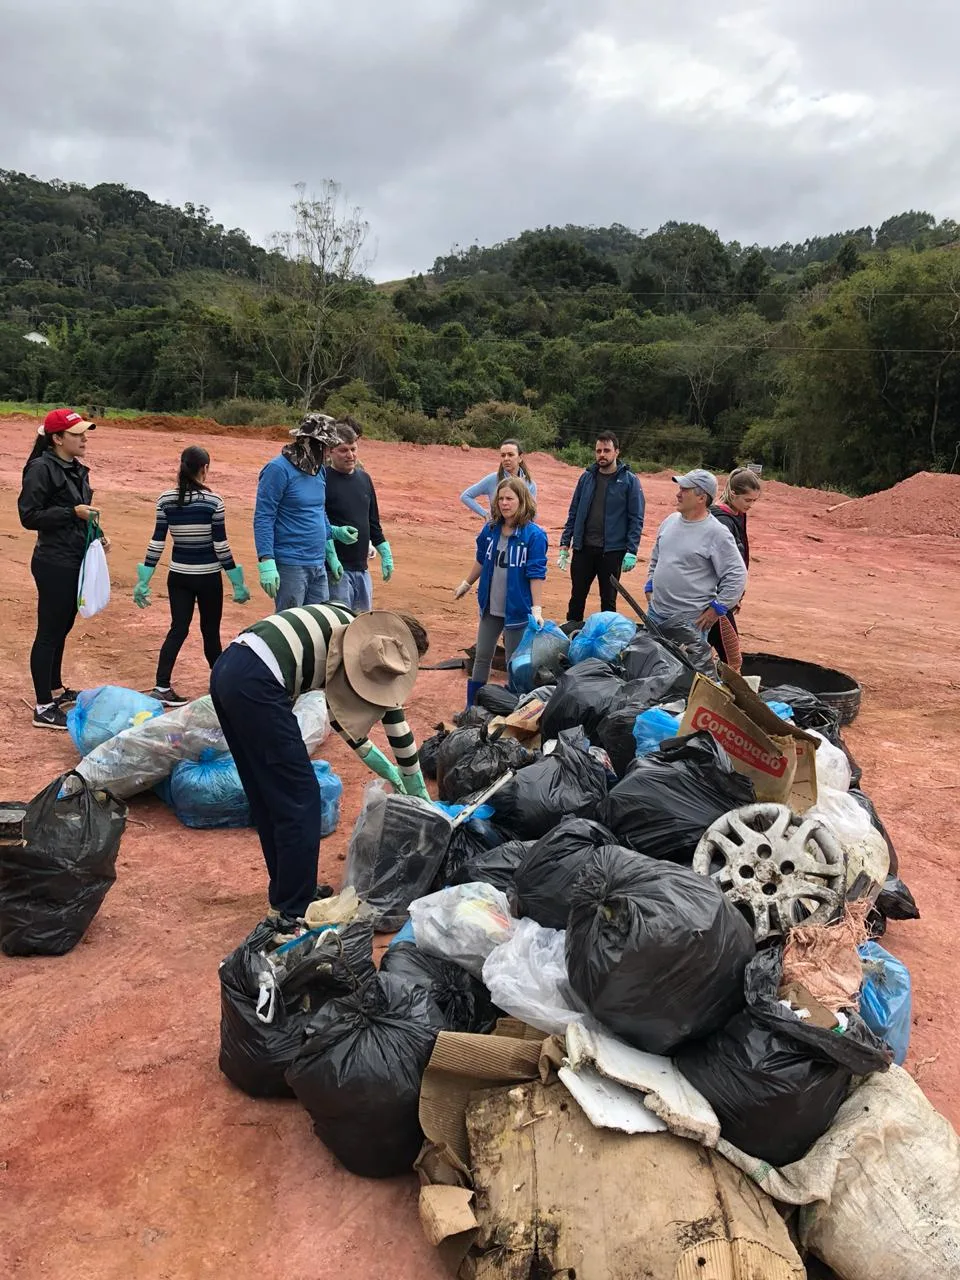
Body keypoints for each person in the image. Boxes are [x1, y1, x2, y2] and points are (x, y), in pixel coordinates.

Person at [210, 605, 431, 928]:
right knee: (300, 797)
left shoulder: (350, 629)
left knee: (268, 792)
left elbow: (341, 720)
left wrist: (391, 772)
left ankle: (288, 893)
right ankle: (292, 909)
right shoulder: (362, 651)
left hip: (229, 667)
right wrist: (418, 790)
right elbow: (397, 725)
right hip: (257, 681)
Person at [133, 446, 250, 705]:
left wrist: (145, 579)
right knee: (210, 632)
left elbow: (157, 542)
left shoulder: (165, 500)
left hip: (178, 576)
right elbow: (221, 546)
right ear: (204, 469)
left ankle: (161, 686)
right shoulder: (213, 503)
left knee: (178, 628)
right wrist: (236, 581)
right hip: (208, 577)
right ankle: (221, 688)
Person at [18, 408, 108, 730]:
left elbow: (84, 513)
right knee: (49, 632)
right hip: (53, 562)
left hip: (75, 558)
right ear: (57, 439)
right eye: (77, 434)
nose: (84, 439)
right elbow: (29, 516)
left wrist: (97, 534)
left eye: (85, 433)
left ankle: (55, 689)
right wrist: (72, 513)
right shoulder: (41, 469)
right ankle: (42, 707)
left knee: (64, 626)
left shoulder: (75, 468)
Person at [454, 477, 547, 708]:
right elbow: (481, 561)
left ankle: (510, 709)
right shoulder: (490, 529)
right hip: (490, 607)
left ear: (522, 500)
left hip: (517, 610)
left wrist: (536, 608)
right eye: (501, 498)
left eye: (510, 499)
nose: (504, 503)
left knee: (513, 664)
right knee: (482, 657)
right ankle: (472, 708)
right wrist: (467, 583)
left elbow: (536, 574)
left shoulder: (534, 536)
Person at [644, 469, 747, 644]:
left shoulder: (717, 533)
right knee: (652, 666)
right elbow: (657, 556)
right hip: (656, 614)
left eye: (685, 490)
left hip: (690, 622)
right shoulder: (670, 521)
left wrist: (717, 609)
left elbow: (737, 575)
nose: (678, 494)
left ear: (701, 497)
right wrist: (650, 583)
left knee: (683, 670)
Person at [253, 412, 342, 610]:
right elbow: (264, 516)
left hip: (317, 562)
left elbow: (319, 510)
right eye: (327, 447)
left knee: (319, 626)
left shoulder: (317, 470)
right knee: (291, 628)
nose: (329, 453)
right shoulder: (278, 469)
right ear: (312, 443)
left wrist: (331, 553)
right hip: (291, 564)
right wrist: (266, 560)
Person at [557, 431, 644, 621]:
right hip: (583, 549)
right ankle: (572, 639)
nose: (601, 455)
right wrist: (565, 543)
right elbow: (574, 512)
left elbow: (636, 518)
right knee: (576, 599)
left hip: (612, 552)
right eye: (598, 451)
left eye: (606, 450)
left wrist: (632, 550)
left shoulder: (629, 481)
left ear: (616, 452)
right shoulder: (586, 478)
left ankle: (607, 643)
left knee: (608, 602)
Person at [324, 422, 393, 613]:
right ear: (330, 451)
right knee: (339, 624)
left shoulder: (364, 479)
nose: (350, 455)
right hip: (335, 570)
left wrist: (385, 552)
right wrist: (332, 551)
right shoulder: (323, 480)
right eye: (343, 450)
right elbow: (317, 521)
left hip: (361, 568)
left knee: (362, 624)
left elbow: (373, 522)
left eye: (353, 449)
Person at [707, 468, 762, 670]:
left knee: (702, 651)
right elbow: (720, 567)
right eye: (748, 500)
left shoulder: (737, 515)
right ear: (733, 494)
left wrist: (737, 595)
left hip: (724, 599)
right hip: (715, 601)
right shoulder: (722, 521)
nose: (751, 505)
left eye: (754, 501)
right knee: (732, 658)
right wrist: (725, 601)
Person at [460, 438, 537, 518]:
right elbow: (466, 496)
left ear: (520, 458)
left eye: (510, 455)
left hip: (520, 528)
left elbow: (532, 513)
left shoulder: (530, 484)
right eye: (503, 455)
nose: (506, 458)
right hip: (497, 528)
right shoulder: (493, 479)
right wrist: (485, 514)